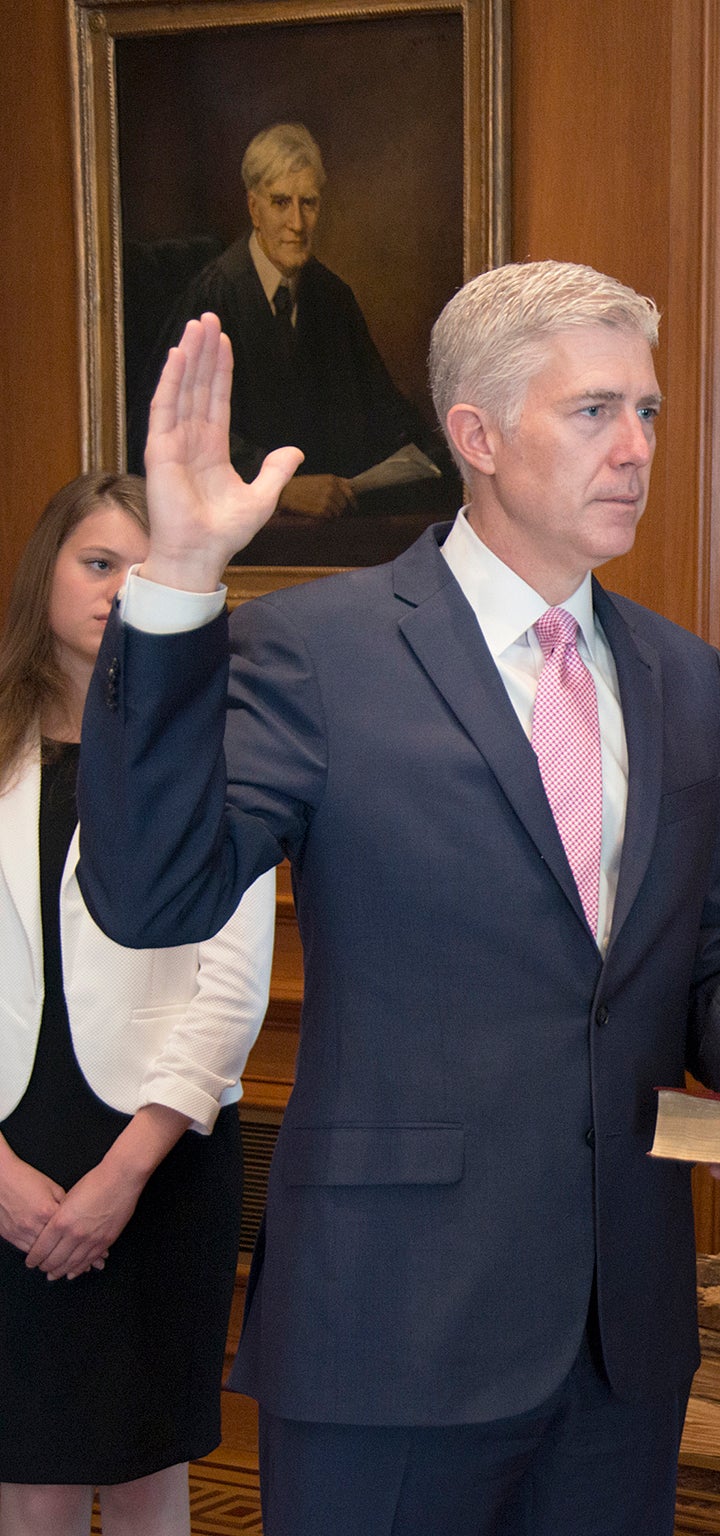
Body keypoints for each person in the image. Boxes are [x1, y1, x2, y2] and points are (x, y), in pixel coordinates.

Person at [76, 263, 720, 1536]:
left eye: (651, 413)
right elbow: (150, 893)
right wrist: (179, 580)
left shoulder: (686, 679)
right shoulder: (318, 649)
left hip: (619, 1341)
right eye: (594, 412)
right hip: (389, 1325)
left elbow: (716, 952)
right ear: (476, 436)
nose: (636, 448)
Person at [0, 473, 275, 1535]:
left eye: (146, 569)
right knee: (27, 1474)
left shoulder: (222, 747)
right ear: (47, 575)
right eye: (98, 562)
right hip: (12, 1146)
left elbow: (231, 985)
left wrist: (121, 1179)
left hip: (161, 1150)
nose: (120, 590)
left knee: (152, 1466)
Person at [146, 122, 451, 524]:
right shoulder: (214, 297)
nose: (297, 223)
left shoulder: (332, 297)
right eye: (280, 203)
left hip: (329, 528)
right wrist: (282, 489)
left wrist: (435, 450)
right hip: (238, 531)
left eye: (308, 203)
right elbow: (178, 429)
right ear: (254, 208)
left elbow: (381, 407)